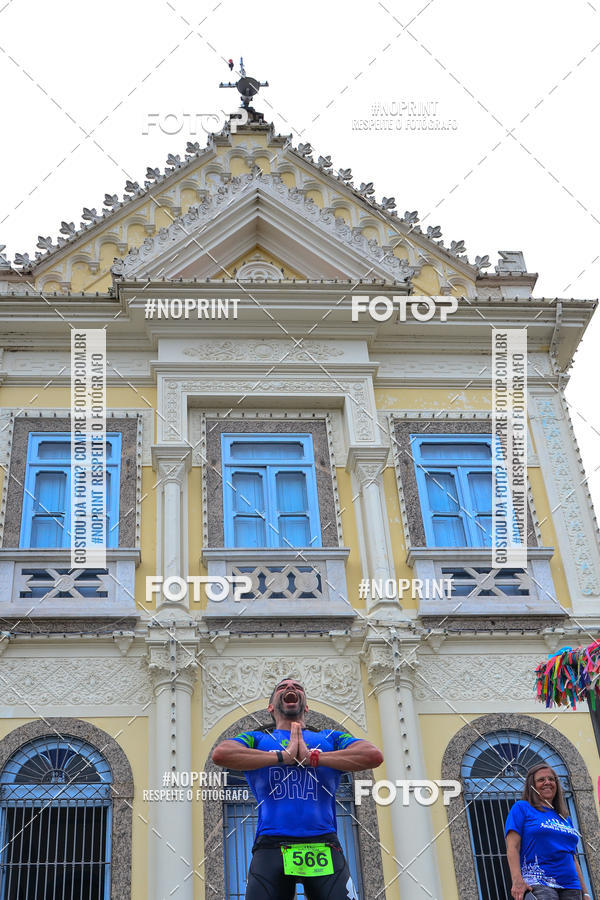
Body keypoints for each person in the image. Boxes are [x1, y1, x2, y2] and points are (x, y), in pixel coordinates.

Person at [212, 676, 384, 899]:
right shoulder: (256, 739)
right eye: (282, 687)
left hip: (323, 843)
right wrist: (283, 757)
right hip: (272, 845)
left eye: (297, 687)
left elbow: (372, 755)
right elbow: (221, 753)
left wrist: (314, 758)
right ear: (271, 707)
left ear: (306, 706)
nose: (290, 688)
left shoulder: (329, 737)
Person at [505, 762, 592, 900]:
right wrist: (517, 880)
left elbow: (573, 857)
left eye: (551, 779)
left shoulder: (564, 818)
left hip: (571, 886)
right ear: (531, 785)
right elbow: (512, 847)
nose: (547, 782)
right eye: (541, 780)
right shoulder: (522, 808)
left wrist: (585, 892)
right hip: (538, 883)